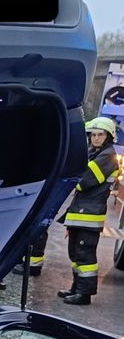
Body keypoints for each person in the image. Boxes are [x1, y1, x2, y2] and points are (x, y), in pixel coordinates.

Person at [57, 116, 120, 305]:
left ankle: (84, 294)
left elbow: (83, 181)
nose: (96, 138)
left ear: (109, 136)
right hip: (80, 213)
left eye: (100, 135)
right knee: (75, 254)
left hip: (89, 216)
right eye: (93, 135)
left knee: (85, 255)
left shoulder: (107, 156)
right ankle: (76, 288)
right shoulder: (94, 152)